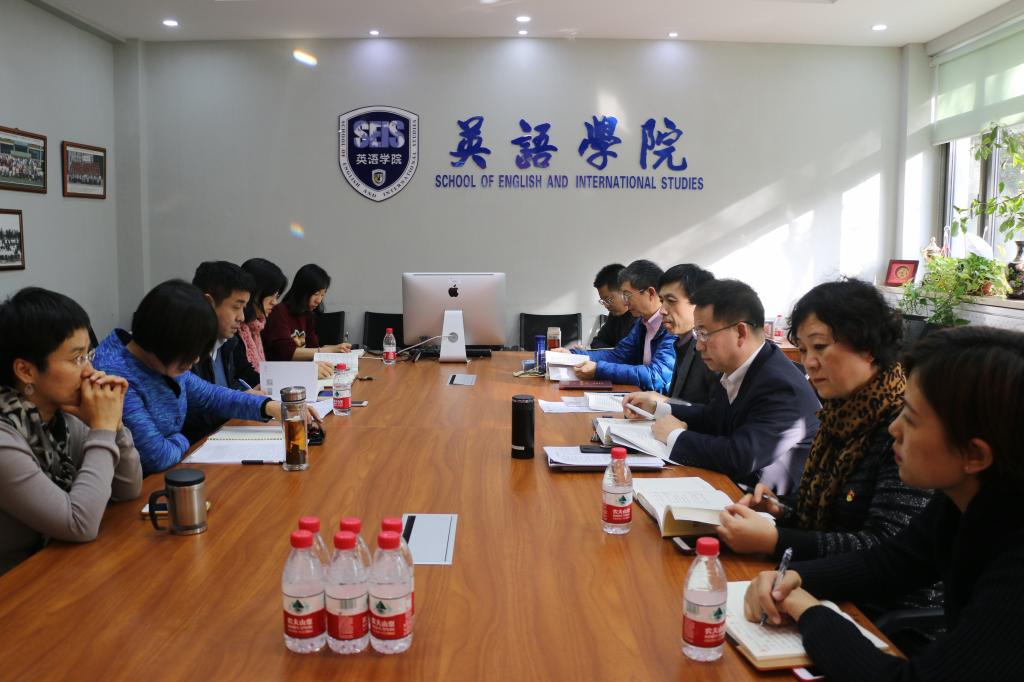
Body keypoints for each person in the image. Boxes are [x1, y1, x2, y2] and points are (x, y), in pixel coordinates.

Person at [744, 326, 1024, 681]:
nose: (895, 428)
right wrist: (796, 578)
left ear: (975, 455)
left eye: (911, 418)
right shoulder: (965, 498)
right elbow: (892, 562)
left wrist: (810, 611)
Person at [716, 280, 935, 570]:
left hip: (868, 594)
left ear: (867, 345)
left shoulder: (903, 425)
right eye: (803, 350)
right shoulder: (838, 413)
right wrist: (779, 508)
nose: (809, 362)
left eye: (819, 346)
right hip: (820, 576)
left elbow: (886, 549)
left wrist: (776, 540)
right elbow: (826, 516)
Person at [93, 280, 321, 475]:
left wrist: (271, 407)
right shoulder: (116, 378)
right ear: (166, 339)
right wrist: (184, 438)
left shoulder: (157, 359)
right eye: (191, 352)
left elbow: (211, 395)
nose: (194, 361)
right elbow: (157, 456)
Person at [631, 279, 820, 495]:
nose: (698, 345)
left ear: (740, 332)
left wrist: (675, 436)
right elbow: (713, 417)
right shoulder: (739, 366)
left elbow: (740, 456)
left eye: (704, 333)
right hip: (731, 486)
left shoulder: (781, 386)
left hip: (764, 502)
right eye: (697, 334)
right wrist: (658, 408)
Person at [0, 288, 141, 575]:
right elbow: (79, 523)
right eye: (77, 359)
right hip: (16, 586)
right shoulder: (5, 438)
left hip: (60, 567)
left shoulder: (61, 417)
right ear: (25, 371)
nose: (90, 370)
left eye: (89, 354)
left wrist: (115, 425)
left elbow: (128, 488)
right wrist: (102, 430)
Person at [554, 259, 676, 392]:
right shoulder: (642, 323)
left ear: (650, 293)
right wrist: (573, 355)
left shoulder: (672, 326)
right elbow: (618, 356)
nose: (626, 302)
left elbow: (656, 376)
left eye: (627, 295)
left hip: (661, 402)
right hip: (641, 395)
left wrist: (599, 369)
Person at [183, 261, 259, 443]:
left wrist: (246, 393)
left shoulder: (227, 342)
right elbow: (191, 416)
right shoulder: (186, 351)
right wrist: (241, 403)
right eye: (236, 307)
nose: (241, 317)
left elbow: (228, 385)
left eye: (244, 308)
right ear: (208, 303)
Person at [622, 263, 717, 407]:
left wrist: (662, 403)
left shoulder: (712, 349)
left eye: (671, 301)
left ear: (699, 303)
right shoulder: (682, 342)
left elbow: (715, 414)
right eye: (662, 301)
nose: (662, 310)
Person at [263, 263, 350, 379]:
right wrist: (329, 350)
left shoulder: (307, 314)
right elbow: (287, 353)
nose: (319, 300)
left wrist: (332, 350)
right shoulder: (279, 312)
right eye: (316, 294)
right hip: (281, 377)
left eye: (322, 295)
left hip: (301, 376)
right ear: (302, 291)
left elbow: (313, 348)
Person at [236, 257, 288, 387]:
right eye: (271, 295)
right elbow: (245, 375)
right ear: (254, 292)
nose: (274, 302)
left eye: (277, 296)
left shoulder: (257, 325)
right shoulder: (234, 327)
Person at [590, 263, 633, 349]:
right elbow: (597, 342)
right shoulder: (614, 315)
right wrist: (615, 352)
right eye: (603, 301)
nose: (606, 306)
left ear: (624, 291)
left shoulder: (640, 316)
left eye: (608, 299)